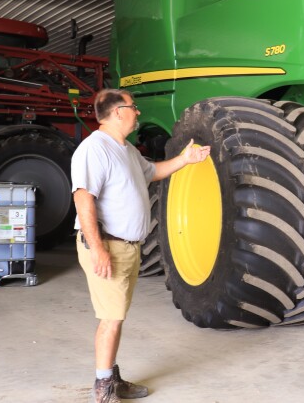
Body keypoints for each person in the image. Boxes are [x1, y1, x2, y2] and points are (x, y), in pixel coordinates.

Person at [71, 88, 211, 403]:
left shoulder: (126, 150)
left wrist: (185, 160)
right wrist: (99, 249)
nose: (138, 113)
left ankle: (112, 375)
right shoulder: (94, 149)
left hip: (127, 246)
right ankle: (104, 388)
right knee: (111, 318)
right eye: (134, 107)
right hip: (108, 245)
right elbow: (83, 199)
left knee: (116, 315)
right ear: (118, 111)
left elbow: (154, 172)